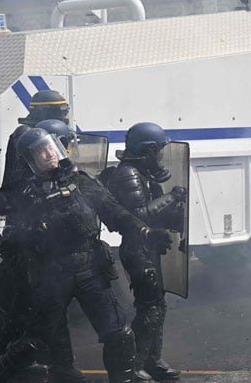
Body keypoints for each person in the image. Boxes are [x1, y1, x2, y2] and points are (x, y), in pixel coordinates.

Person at [0, 128, 172, 383]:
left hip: (89, 268)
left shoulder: (81, 182)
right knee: (44, 342)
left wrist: (146, 232)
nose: (49, 154)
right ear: (30, 160)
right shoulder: (22, 192)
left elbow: (116, 213)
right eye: (41, 151)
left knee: (119, 334)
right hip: (49, 275)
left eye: (50, 147)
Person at [0, 90, 85, 383]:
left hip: (38, 231)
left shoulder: (30, 134)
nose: (65, 118)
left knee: (48, 304)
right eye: (61, 113)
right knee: (20, 308)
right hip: (26, 232)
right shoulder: (27, 137)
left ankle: (60, 366)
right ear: (44, 113)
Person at [105, 122, 186, 381]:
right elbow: (138, 215)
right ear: (148, 150)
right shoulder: (128, 174)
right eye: (158, 150)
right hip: (137, 248)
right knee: (149, 309)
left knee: (157, 307)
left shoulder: (143, 173)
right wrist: (172, 197)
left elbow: (155, 211)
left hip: (150, 248)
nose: (161, 156)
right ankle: (135, 365)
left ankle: (152, 360)